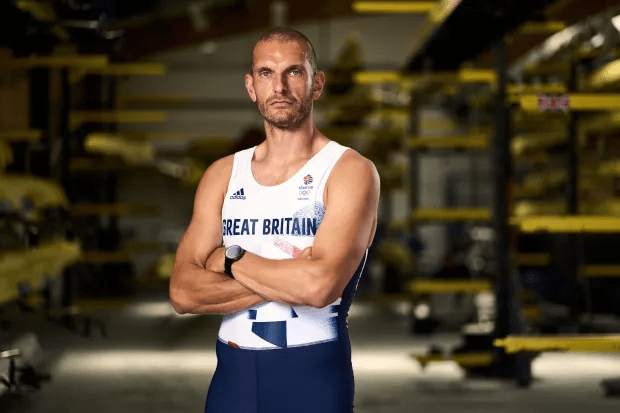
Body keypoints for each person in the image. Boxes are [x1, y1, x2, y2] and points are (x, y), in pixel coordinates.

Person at [169, 27, 380, 413]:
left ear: (316, 84)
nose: (279, 86)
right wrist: (290, 274)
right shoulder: (222, 175)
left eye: (294, 72)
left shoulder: (349, 171)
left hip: (312, 377)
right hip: (232, 378)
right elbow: (183, 293)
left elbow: (319, 288)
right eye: (266, 73)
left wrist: (231, 261)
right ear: (251, 86)